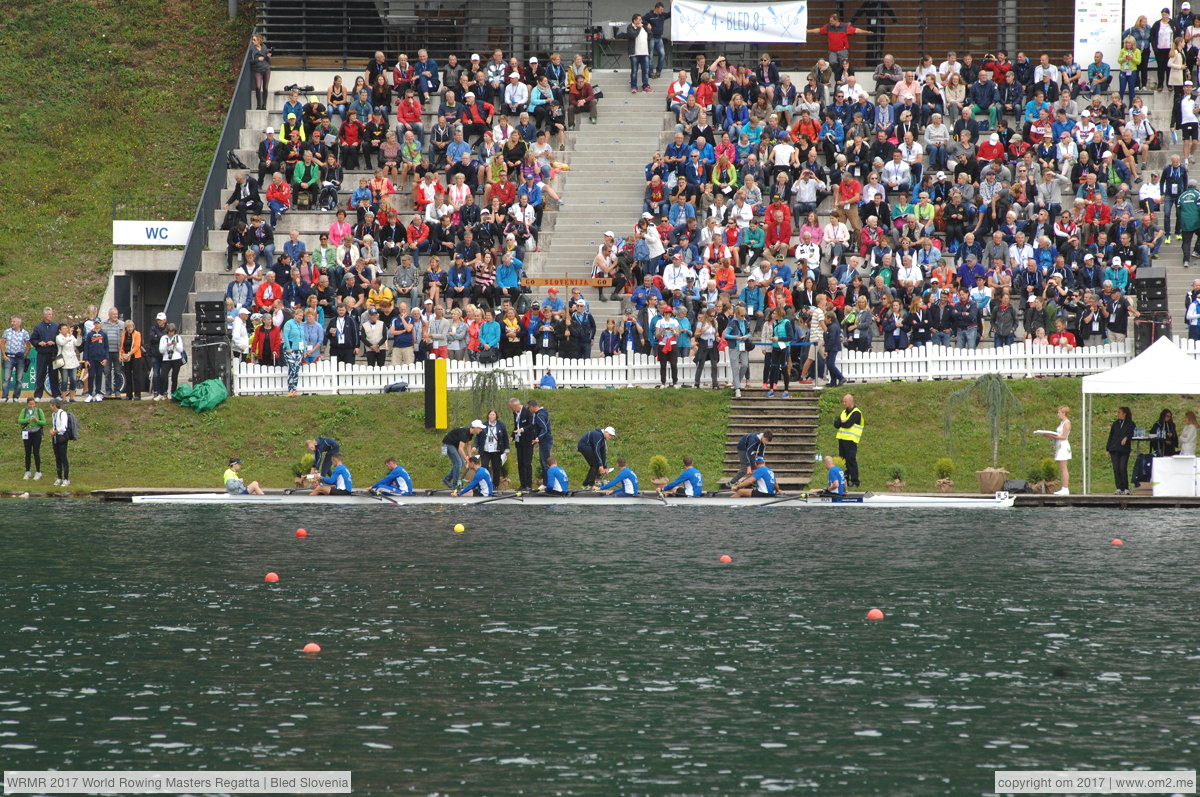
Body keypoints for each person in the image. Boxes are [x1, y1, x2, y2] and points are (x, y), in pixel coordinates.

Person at [1035, 405, 1072, 495]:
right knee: (1061, 468)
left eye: (1059, 412)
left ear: (1063, 413)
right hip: (1059, 445)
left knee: (1064, 468)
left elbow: (1063, 436)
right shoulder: (1062, 422)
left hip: (1063, 446)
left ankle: (1065, 488)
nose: (1058, 414)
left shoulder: (1067, 423)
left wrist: (1051, 435)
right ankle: (1064, 487)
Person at [29, 307, 60, 401]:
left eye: (51, 314)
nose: (50, 316)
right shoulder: (38, 327)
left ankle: (56, 394)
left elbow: (60, 338)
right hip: (42, 353)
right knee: (40, 374)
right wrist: (39, 343)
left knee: (54, 374)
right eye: (49, 314)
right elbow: (33, 339)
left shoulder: (56, 326)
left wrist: (54, 342)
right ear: (44, 315)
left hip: (53, 353)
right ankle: (38, 395)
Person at [833, 394, 863, 488]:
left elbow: (848, 425)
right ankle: (845, 481)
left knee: (851, 460)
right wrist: (842, 422)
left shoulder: (856, 413)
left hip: (851, 441)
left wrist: (842, 422)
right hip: (842, 440)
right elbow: (836, 424)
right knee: (843, 461)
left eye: (845, 402)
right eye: (843, 401)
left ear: (851, 401)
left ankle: (855, 481)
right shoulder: (843, 412)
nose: (844, 403)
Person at [442, 419, 483, 488]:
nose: (481, 430)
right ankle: (455, 485)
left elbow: (468, 446)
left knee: (461, 463)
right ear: (475, 428)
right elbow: (460, 449)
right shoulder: (464, 433)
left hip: (454, 445)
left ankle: (446, 479)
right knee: (458, 463)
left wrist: (470, 459)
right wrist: (467, 460)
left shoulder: (471, 434)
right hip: (448, 444)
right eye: (480, 428)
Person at [475, 409, 509, 486]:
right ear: (488, 415)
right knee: (484, 466)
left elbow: (505, 437)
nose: (492, 416)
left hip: (496, 449)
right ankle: (485, 483)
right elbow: (478, 436)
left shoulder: (501, 425)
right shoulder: (484, 425)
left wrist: (506, 448)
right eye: (490, 414)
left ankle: (495, 484)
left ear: (496, 416)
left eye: (493, 414)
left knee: (496, 468)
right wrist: (475, 446)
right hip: (485, 450)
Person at [1106, 407, 1135, 495]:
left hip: (1124, 449)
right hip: (1114, 449)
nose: (1117, 414)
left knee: (1122, 468)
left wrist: (1126, 438)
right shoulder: (1115, 424)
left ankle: (1125, 487)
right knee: (1116, 468)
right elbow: (1111, 436)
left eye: (1119, 412)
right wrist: (1108, 449)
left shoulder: (1130, 424)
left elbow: (1133, 433)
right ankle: (1119, 487)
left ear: (1124, 413)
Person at [18, 396, 45, 481]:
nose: (32, 405)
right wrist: (28, 420)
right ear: (27, 404)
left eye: (33, 404)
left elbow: (43, 422)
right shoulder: (24, 411)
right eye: (30, 404)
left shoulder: (39, 411)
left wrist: (36, 420)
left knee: (36, 451)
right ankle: (27, 471)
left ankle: (38, 471)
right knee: (27, 452)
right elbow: (19, 421)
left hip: (36, 433)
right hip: (26, 432)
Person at [528, 398, 553, 484]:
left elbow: (544, 429)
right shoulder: (542, 413)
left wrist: (538, 438)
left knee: (545, 463)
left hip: (545, 441)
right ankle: (546, 483)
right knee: (544, 462)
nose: (529, 410)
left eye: (529, 408)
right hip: (545, 440)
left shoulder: (539, 415)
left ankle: (547, 484)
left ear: (533, 407)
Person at [157, 323, 185, 399]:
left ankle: (173, 393)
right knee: (163, 376)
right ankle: (161, 393)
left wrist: (175, 344)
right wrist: (167, 345)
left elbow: (181, 349)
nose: (171, 333)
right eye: (169, 331)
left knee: (174, 377)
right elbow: (161, 350)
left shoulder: (178, 337)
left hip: (176, 359)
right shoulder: (163, 338)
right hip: (166, 359)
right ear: (167, 331)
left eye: (172, 331)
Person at [48, 397, 70, 487]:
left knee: (63, 458)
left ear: (54, 405)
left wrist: (55, 431)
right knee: (57, 458)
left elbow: (63, 427)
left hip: (62, 438)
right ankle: (59, 477)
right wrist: (52, 430)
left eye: (51, 405)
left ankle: (66, 479)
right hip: (55, 438)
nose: (50, 407)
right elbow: (55, 425)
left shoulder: (62, 413)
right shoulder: (54, 414)